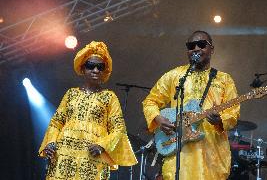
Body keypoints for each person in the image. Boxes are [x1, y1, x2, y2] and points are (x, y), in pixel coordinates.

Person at [142, 30, 240, 180]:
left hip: (211, 157)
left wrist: (220, 120)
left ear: (211, 49)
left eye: (201, 45)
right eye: (191, 46)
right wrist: (158, 118)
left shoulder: (224, 80)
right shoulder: (175, 76)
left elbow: (233, 114)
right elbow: (150, 101)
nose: (196, 48)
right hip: (179, 157)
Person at [39, 41, 137, 180]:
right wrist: (51, 142)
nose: (95, 70)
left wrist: (102, 145)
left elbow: (119, 129)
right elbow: (56, 122)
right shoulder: (71, 93)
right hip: (64, 155)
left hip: (92, 157)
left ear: (104, 70)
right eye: (91, 66)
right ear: (83, 68)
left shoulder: (109, 97)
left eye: (100, 67)